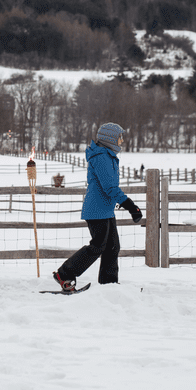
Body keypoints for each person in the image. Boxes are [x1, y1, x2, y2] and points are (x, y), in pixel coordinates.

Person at [52, 123, 143, 291]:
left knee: (112, 246)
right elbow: (109, 187)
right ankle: (64, 274)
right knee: (98, 245)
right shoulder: (101, 157)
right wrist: (130, 206)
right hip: (96, 210)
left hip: (105, 209)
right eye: (119, 137)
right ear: (110, 139)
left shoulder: (108, 156)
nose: (122, 140)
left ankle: (109, 284)